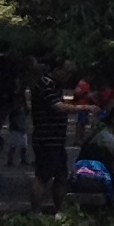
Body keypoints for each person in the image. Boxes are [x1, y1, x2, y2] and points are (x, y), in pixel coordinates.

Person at [26, 52, 71, 214]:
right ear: (56, 69)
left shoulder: (55, 86)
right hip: (46, 138)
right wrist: (84, 108)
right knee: (42, 176)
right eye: (66, 71)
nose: (68, 75)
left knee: (61, 176)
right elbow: (57, 107)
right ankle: (36, 212)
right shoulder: (44, 85)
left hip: (57, 140)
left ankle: (61, 212)